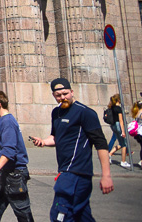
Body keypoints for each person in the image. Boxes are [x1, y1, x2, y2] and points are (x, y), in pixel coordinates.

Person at [30, 78, 114, 221]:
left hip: (76, 173)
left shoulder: (85, 113)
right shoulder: (56, 113)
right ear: (53, 96)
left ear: (72, 92)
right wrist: (43, 142)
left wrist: (106, 175)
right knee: (82, 215)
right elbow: (56, 137)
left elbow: (101, 144)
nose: (62, 97)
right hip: (64, 170)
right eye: (58, 95)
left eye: (65, 93)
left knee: (60, 216)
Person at [0, 90, 34, 222]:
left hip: (14, 173)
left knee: (22, 210)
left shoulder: (8, 122)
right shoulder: (4, 120)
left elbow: (9, 150)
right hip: (4, 173)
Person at [106, 94, 131, 169]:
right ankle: (123, 161)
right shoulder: (118, 108)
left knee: (121, 143)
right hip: (118, 126)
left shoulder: (112, 107)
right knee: (124, 144)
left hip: (113, 126)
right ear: (118, 100)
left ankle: (109, 154)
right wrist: (123, 131)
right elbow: (121, 121)